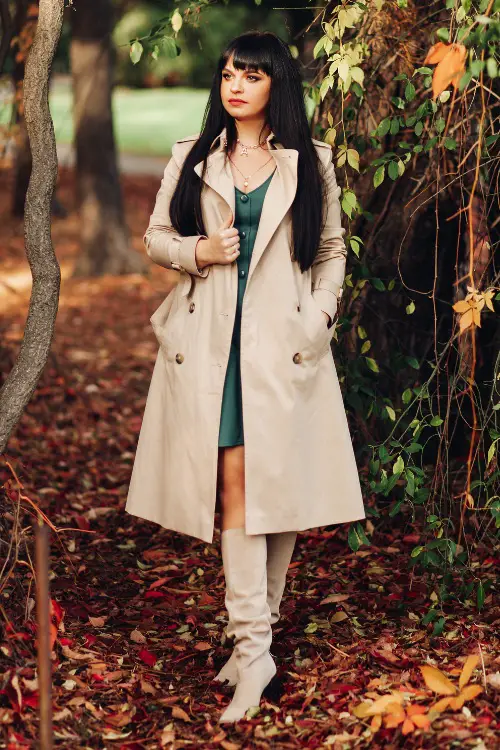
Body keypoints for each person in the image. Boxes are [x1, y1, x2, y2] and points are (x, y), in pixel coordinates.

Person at [125, 30, 366, 723]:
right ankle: (255, 649)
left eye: (251, 75)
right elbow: (155, 239)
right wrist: (199, 248)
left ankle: (250, 647)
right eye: (228, 73)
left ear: (275, 86)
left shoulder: (309, 162)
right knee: (236, 486)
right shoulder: (196, 157)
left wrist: (317, 319)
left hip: (283, 348)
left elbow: (331, 251)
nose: (235, 85)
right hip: (210, 349)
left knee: (275, 487)